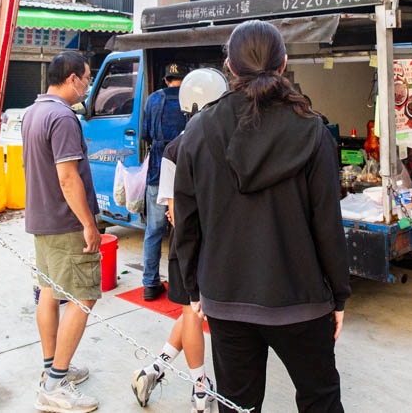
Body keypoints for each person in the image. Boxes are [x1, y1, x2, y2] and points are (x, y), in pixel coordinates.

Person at [174, 20, 351, 413]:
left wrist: (194, 290)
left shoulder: (198, 131)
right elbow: (327, 223)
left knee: (237, 406)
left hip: (225, 296)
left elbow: (186, 221)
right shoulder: (312, 130)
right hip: (300, 298)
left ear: (230, 67)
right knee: (320, 400)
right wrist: (339, 294)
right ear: (283, 64)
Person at [133, 68, 228, 411]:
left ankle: (155, 368)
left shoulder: (175, 147)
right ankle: (200, 386)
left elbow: (174, 212)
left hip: (187, 244)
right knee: (194, 312)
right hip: (217, 244)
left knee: (192, 310)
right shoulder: (227, 142)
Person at [22, 52, 101, 413]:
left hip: (41, 220)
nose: (87, 85)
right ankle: (55, 384)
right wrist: (88, 224)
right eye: (86, 78)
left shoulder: (34, 111)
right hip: (66, 222)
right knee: (83, 298)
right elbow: (68, 177)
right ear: (72, 78)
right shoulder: (63, 117)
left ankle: (51, 368)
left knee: (49, 294)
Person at [140, 62, 188, 300]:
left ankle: (150, 284)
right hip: (185, 176)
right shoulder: (190, 100)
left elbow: (145, 133)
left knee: (154, 231)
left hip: (158, 173)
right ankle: (186, 284)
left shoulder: (153, 100)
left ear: (166, 79)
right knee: (184, 229)